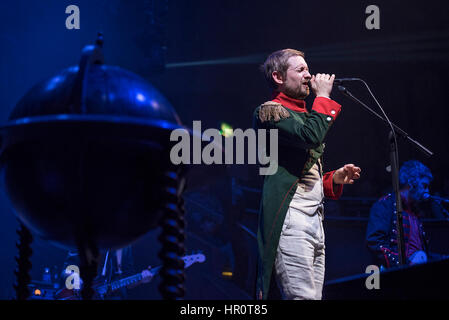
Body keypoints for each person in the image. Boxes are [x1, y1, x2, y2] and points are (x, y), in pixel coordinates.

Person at [253, 49, 361, 300]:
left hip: (315, 220)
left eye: (307, 68)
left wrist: (333, 179)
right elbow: (310, 138)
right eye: (300, 69)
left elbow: (300, 172)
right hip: (291, 218)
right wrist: (322, 96)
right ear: (279, 77)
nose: (309, 74)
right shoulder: (270, 111)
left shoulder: (304, 116)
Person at [366, 160, 439, 268]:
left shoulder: (415, 212)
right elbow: (374, 242)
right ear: (411, 182)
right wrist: (402, 265)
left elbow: (419, 252)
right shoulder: (385, 205)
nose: (427, 191)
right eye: (424, 185)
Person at [58, 246, 153, 300]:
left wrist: (141, 280)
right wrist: (75, 278)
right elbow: (66, 271)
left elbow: (128, 282)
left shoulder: (125, 247)